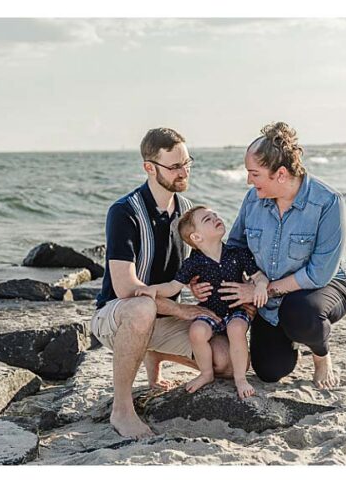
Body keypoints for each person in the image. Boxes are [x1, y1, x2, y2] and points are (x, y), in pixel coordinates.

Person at [88, 127, 248, 439]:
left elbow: (193, 269)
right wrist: (183, 311)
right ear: (150, 167)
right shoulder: (124, 213)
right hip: (117, 318)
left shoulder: (187, 212)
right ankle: (122, 409)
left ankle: (154, 353)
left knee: (227, 364)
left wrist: (198, 288)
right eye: (175, 166)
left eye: (187, 163)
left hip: (164, 317)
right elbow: (126, 289)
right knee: (141, 309)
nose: (183, 172)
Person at [195, 122, 346, 389]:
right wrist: (203, 280)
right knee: (270, 370)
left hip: (325, 286)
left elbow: (319, 273)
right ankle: (293, 336)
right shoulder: (253, 199)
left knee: (301, 313)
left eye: (254, 173)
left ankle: (321, 354)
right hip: (268, 293)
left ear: (280, 174)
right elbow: (235, 248)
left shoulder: (327, 202)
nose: (249, 181)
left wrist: (263, 290)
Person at [134, 206, 268, 398]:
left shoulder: (237, 253)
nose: (216, 218)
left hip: (236, 309)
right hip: (209, 310)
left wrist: (261, 286)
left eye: (215, 215)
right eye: (207, 219)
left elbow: (258, 276)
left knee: (236, 329)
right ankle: (206, 373)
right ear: (196, 238)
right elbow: (173, 286)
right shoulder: (193, 262)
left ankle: (240, 379)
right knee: (197, 331)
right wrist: (153, 289)